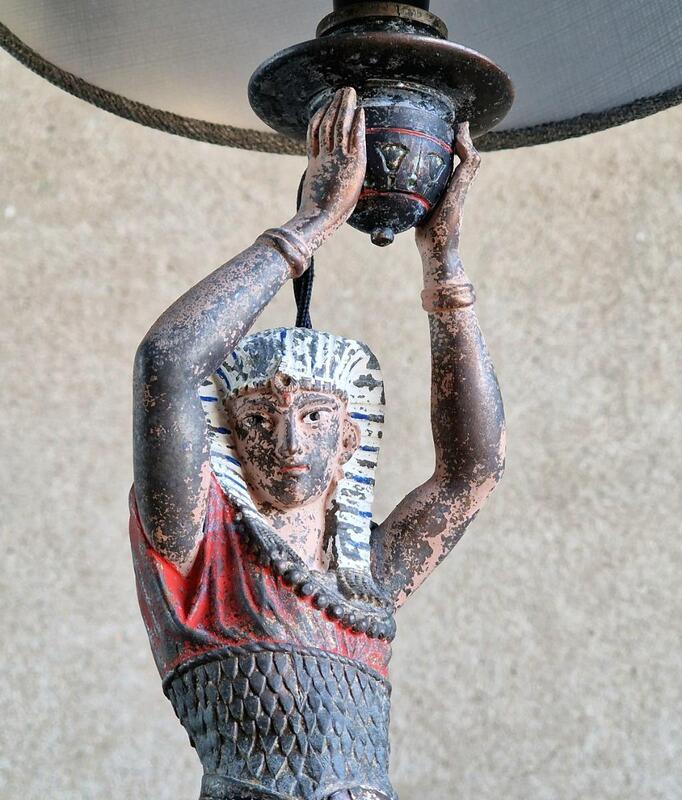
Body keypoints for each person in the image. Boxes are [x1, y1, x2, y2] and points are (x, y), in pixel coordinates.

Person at [130, 87, 505, 800]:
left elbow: (472, 473)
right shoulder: (201, 551)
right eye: (257, 420)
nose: (287, 441)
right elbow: (168, 364)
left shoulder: (364, 575)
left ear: (348, 439)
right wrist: (309, 226)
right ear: (227, 435)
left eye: (313, 418)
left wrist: (444, 265)